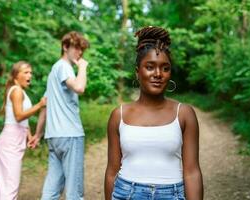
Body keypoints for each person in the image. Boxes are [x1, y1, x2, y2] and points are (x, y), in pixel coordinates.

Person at [104, 26, 203, 200]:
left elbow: (192, 171)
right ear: (137, 71)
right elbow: (112, 172)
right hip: (126, 194)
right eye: (150, 67)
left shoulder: (184, 114)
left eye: (165, 68)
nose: (158, 74)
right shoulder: (118, 115)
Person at [28, 31, 89, 200]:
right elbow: (79, 87)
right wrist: (83, 68)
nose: (79, 53)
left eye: (81, 49)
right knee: (74, 191)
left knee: (51, 189)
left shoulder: (54, 70)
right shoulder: (64, 67)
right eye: (76, 48)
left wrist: (38, 134)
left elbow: (44, 105)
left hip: (54, 137)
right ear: (65, 47)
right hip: (70, 135)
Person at [0, 61, 46, 200]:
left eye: (31, 72)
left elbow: (23, 121)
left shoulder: (19, 91)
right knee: (10, 188)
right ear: (16, 75)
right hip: (9, 143)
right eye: (26, 72)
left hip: (14, 141)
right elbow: (18, 116)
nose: (30, 75)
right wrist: (40, 105)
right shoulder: (16, 91)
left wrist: (29, 137)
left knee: (6, 187)